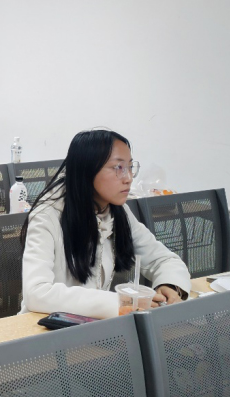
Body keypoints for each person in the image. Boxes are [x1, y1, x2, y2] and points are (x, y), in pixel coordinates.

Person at [19, 129, 191, 320]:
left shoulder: (117, 211)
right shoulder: (47, 215)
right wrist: (119, 303)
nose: (129, 178)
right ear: (87, 170)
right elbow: (36, 293)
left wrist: (169, 285)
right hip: (43, 325)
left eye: (130, 167)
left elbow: (163, 260)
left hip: (93, 326)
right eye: (118, 167)